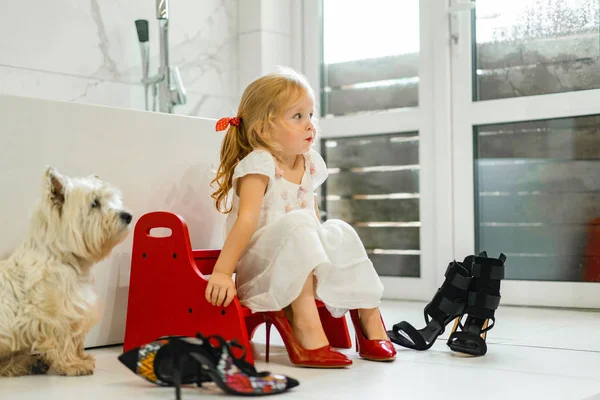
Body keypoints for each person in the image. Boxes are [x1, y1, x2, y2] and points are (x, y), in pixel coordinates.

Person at [206, 68, 396, 367]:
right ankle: (305, 325)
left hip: (303, 263)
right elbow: (246, 221)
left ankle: (369, 317)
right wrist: (222, 272)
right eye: (297, 117)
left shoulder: (308, 162)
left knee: (339, 230)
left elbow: (313, 218)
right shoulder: (258, 164)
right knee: (300, 224)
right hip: (264, 270)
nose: (310, 125)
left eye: (311, 115)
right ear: (263, 130)